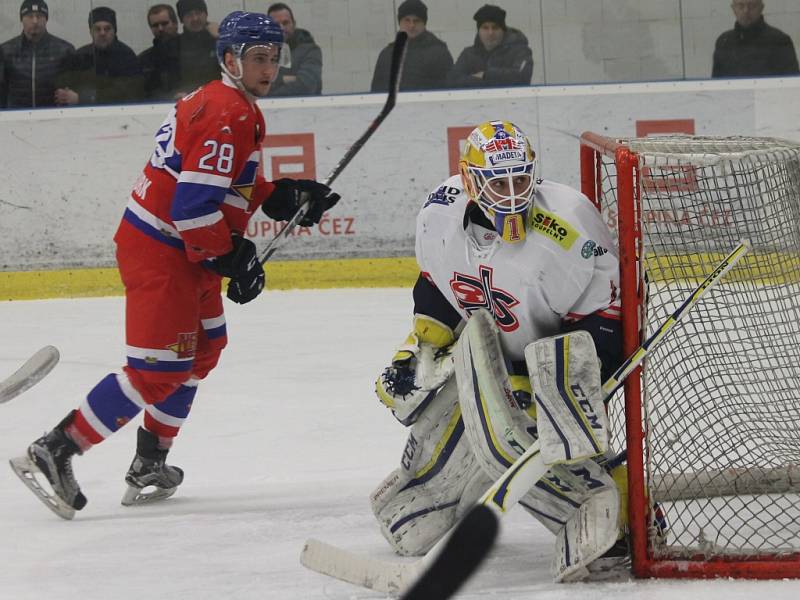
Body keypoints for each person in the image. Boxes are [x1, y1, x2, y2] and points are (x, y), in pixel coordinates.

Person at [9, 11, 340, 520]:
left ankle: (149, 463)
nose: (268, 68)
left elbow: (216, 180)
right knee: (155, 372)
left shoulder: (226, 101)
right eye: (257, 58)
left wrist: (279, 194)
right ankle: (54, 450)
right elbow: (191, 208)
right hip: (164, 251)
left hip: (185, 249)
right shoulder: (228, 112)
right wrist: (231, 255)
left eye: (274, 58)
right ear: (230, 59)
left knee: (205, 349)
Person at [370, 120, 632, 577]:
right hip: (485, 360)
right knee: (412, 519)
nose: (512, 195)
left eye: (521, 180)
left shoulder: (568, 224)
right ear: (471, 181)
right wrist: (422, 346)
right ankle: (430, 491)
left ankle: (613, 513)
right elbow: (436, 282)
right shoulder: (440, 212)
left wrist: (556, 381)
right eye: (498, 182)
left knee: (539, 434)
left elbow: (608, 315)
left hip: (557, 360)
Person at [54, 7, 143, 105]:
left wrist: (83, 98)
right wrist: (64, 94)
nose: (102, 33)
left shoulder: (126, 56)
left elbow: (127, 92)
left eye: (107, 28)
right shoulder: (80, 55)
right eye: (97, 29)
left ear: (114, 31)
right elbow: (65, 84)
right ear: (90, 31)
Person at [0, 0, 74, 108]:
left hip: (55, 118)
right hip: (16, 119)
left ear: (46, 19)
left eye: (39, 16)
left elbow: (75, 90)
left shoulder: (65, 50)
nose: (35, 21)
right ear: (22, 19)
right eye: (30, 16)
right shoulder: (5, 51)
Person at [370, 0, 453, 92]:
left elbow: (449, 90)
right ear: (400, 23)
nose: (411, 25)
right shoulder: (387, 55)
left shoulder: (439, 53)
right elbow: (376, 91)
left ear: (424, 23)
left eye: (416, 21)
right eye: (407, 20)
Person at [447, 4, 533, 88]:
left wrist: (485, 75)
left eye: (495, 28)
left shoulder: (520, 52)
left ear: (503, 30)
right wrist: (487, 82)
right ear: (479, 31)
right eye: (485, 28)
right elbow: (452, 81)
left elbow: (521, 77)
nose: (490, 33)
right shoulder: (468, 54)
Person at [712, 0, 799, 77]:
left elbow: (792, 86)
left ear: (761, 8)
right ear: (733, 9)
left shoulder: (780, 41)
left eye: (752, 6)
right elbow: (716, 86)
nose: (746, 11)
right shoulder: (724, 43)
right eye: (741, 5)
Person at [267, 2, 322, 96]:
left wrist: (273, 84)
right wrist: (284, 79)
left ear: (294, 24)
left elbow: (306, 86)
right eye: (276, 25)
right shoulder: (262, 53)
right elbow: (255, 87)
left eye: (285, 23)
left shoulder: (310, 50)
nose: (281, 28)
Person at [138, 4, 180, 99]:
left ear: (175, 24)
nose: (160, 29)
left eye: (165, 23)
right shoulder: (143, 60)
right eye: (155, 25)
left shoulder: (189, 51)